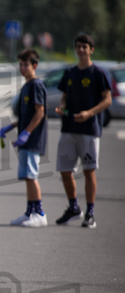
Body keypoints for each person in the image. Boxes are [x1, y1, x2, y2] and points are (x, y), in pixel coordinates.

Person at [55, 33, 111, 228]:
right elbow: (63, 97)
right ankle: (73, 208)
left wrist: (89, 113)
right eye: (78, 46)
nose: (80, 50)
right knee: (64, 170)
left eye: (84, 47)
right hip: (69, 128)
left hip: (89, 129)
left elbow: (107, 99)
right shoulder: (69, 72)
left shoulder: (98, 73)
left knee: (88, 171)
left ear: (91, 50)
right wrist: (62, 107)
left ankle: (90, 212)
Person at [0, 48, 48, 227]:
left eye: (26, 65)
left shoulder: (36, 85)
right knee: (27, 176)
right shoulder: (26, 86)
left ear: (34, 65)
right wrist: (10, 127)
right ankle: (30, 212)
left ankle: (40, 213)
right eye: (20, 65)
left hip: (33, 139)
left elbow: (39, 112)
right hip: (25, 138)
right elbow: (25, 115)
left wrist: (27, 132)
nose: (22, 68)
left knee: (32, 175)